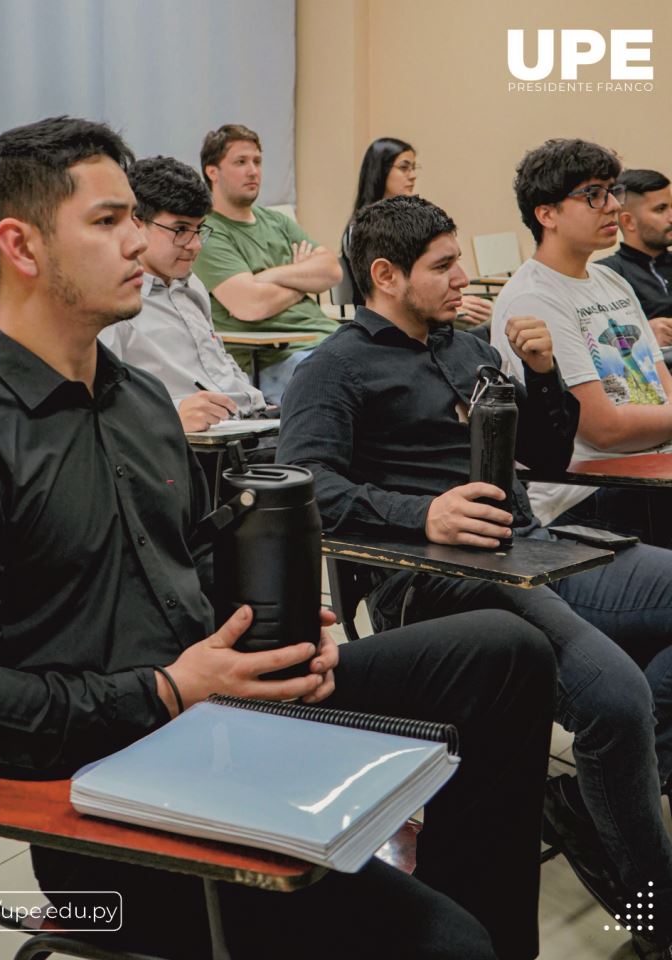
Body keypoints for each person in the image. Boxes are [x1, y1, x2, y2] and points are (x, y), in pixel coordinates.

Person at [0, 115, 561, 960]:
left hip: (227, 713)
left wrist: (291, 634)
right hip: (109, 795)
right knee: (447, 946)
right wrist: (170, 691)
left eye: (136, 219)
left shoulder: (140, 402)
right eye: (109, 222)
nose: (139, 243)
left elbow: (197, 563)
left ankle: (459, 921)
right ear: (22, 247)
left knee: (504, 651)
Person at [277, 194, 672, 960]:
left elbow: (550, 456)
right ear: (385, 276)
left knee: (619, 710)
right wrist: (421, 514)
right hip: (446, 581)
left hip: (538, 548)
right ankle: (657, 917)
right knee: (614, 695)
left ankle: (599, 789)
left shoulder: (466, 349)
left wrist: (545, 374)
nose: (466, 277)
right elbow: (303, 487)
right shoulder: (335, 368)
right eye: (444, 266)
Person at [491, 140, 672, 548]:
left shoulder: (612, 281)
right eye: (593, 195)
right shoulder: (534, 298)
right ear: (547, 214)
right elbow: (604, 429)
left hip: (649, 471)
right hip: (582, 494)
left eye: (612, 190)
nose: (612, 206)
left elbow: (663, 388)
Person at [98, 155, 270, 432]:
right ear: (136, 224)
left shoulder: (190, 284)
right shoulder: (110, 300)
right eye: (180, 230)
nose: (195, 245)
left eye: (199, 229)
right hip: (195, 442)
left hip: (251, 419)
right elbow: (101, 404)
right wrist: (174, 413)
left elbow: (218, 360)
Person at [192, 124, 340, 404]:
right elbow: (251, 304)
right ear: (212, 172)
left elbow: (332, 271)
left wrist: (268, 276)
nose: (253, 171)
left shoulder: (278, 221)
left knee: (398, 360)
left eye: (257, 161)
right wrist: (302, 282)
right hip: (276, 358)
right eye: (240, 162)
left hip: (328, 339)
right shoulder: (206, 232)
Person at [340, 137, 492, 329]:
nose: (412, 176)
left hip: (416, 311)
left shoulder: (413, 220)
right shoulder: (361, 230)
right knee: (484, 329)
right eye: (404, 168)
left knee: (490, 322)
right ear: (380, 171)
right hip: (392, 320)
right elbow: (384, 297)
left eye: (413, 168)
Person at [598, 168, 672, 347]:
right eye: (661, 209)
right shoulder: (606, 276)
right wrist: (644, 333)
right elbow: (598, 339)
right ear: (628, 222)